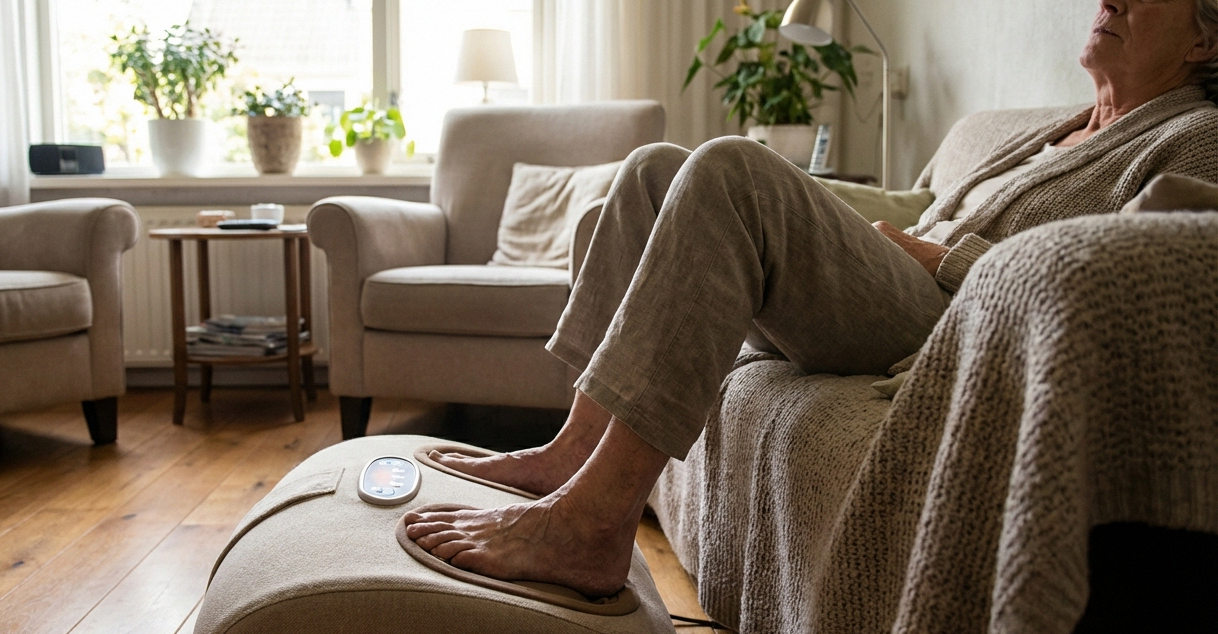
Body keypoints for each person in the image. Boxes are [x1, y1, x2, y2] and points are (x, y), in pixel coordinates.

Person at [404, 0, 1218, 597]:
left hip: (958, 315)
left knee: (728, 167)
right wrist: (877, 226)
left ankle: (591, 527)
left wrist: (941, 253)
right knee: (653, 167)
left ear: (1204, 37)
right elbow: (918, 201)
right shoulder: (1063, 128)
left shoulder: (1193, 136)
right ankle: (571, 449)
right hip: (905, 272)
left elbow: (1120, 272)